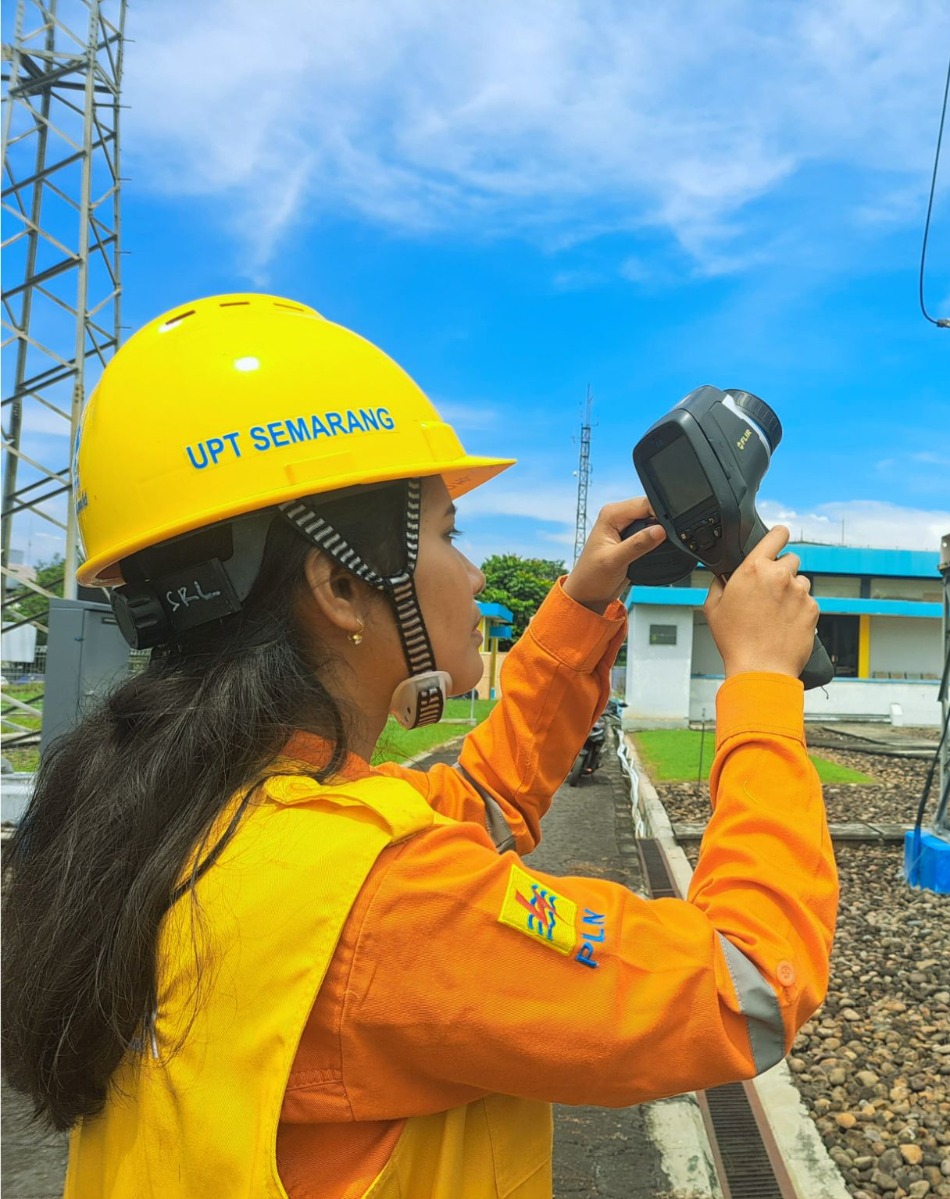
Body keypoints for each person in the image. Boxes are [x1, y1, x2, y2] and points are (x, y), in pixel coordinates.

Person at [1, 294, 839, 1199]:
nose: (474, 573)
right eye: (448, 533)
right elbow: (745, 983)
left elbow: (481, 806)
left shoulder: (187, 813)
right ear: (338, 585)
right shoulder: (384, 907)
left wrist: (583, 605)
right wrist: (760, 685)